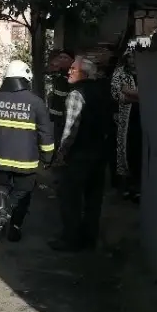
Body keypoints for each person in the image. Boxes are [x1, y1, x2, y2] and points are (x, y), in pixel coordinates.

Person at [0, 59, 55, 242]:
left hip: (0, 158)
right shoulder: (36, 103)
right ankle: (14, 227)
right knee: (23, 194)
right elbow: (46, 133)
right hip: (26, 162)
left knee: (0, 187)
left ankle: (1, 209)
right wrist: (47, 157)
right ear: (25, 79)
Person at [50, 56, 115, 252]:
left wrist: (61, 154)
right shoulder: (103, 91)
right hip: (100, 155)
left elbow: (71, 128)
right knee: (93, 201)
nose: (69, 71)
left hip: (79, 156)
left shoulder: (77, 94)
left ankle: (70, 240)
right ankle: (89, 240)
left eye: (73, 69)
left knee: (71, 199)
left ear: (84, 74)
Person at [111, 48, 142, 202]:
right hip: (127, 118)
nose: (132, 60)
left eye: (134, 57)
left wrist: (131, 93)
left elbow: (152, 92)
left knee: (140, 152)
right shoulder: (120, 73)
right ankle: (127, 187)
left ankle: (138, 187)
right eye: (129, 57)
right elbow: (117, 93)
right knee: (126, 150)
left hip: (144, 118)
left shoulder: (145, 70)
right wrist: (138, 95)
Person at [46, 49, 75, 149]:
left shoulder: (71, 77)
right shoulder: (56, 75)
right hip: (55, 118)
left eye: (65, 58)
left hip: (65, 117)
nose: (62, 60)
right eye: (60, 57)